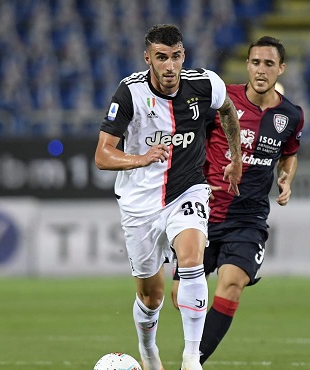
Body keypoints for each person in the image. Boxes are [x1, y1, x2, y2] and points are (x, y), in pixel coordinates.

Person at [94, 24, 243, 370]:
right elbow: (102, 156)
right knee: (151, 295)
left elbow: (228, 111)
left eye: (176, 57)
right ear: (148, 58)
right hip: (139, 204)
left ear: (183, 56)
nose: (170, 66)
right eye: (161, 58)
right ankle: (149, 353)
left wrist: (235, 158)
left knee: (192, 259)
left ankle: (192, 359)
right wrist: (141, 158)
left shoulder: (205, 84)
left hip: (187, 190)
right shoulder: (129, 93)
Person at [171, 36, 304, 365]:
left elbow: (289, 154)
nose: (261, 70)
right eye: (256, 62)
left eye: (269, 64)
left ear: (281, 69)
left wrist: (287, 178)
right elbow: (189, 139)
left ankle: (193, 360)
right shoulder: (221, 99)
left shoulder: (291, 115)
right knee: (178, 296)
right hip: (203, 214)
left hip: (249, 219)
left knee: (231, 283)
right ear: (247, 65)